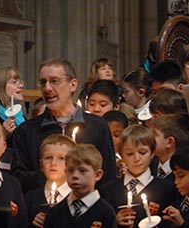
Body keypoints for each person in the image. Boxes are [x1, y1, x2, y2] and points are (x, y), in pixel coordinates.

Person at [12, 58, 116, 193]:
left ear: (72, 85)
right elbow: (18, 178)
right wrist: (52, 174)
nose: (47, 88)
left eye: (54, 81)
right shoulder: (27, 130)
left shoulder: (96, 126)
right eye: (43, 82)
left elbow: (108, 177)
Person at [100, 125, 176, 228]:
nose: (137, 159)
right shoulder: (108, 190)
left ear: (152, 153)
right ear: (121, 156)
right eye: (130, 154)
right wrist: (114, 222)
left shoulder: (167, 189)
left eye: (142, 152)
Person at [43, 144, 117, 228]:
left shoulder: (106, 212)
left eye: (82, 171)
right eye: (70, 170)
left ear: (97, 175)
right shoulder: (55, 212)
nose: (75, 175)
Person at [24, 134, 75, 228]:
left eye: (61, 158)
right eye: (48, 157)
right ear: (41, 165)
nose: (53, 163)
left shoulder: (79, 198)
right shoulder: (29, 199)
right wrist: (32, 225)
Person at [149, 114, 189, 182]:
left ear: (170, 142)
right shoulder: (150, 164)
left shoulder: (183, 172)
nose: (148, 137)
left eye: (154, 134)